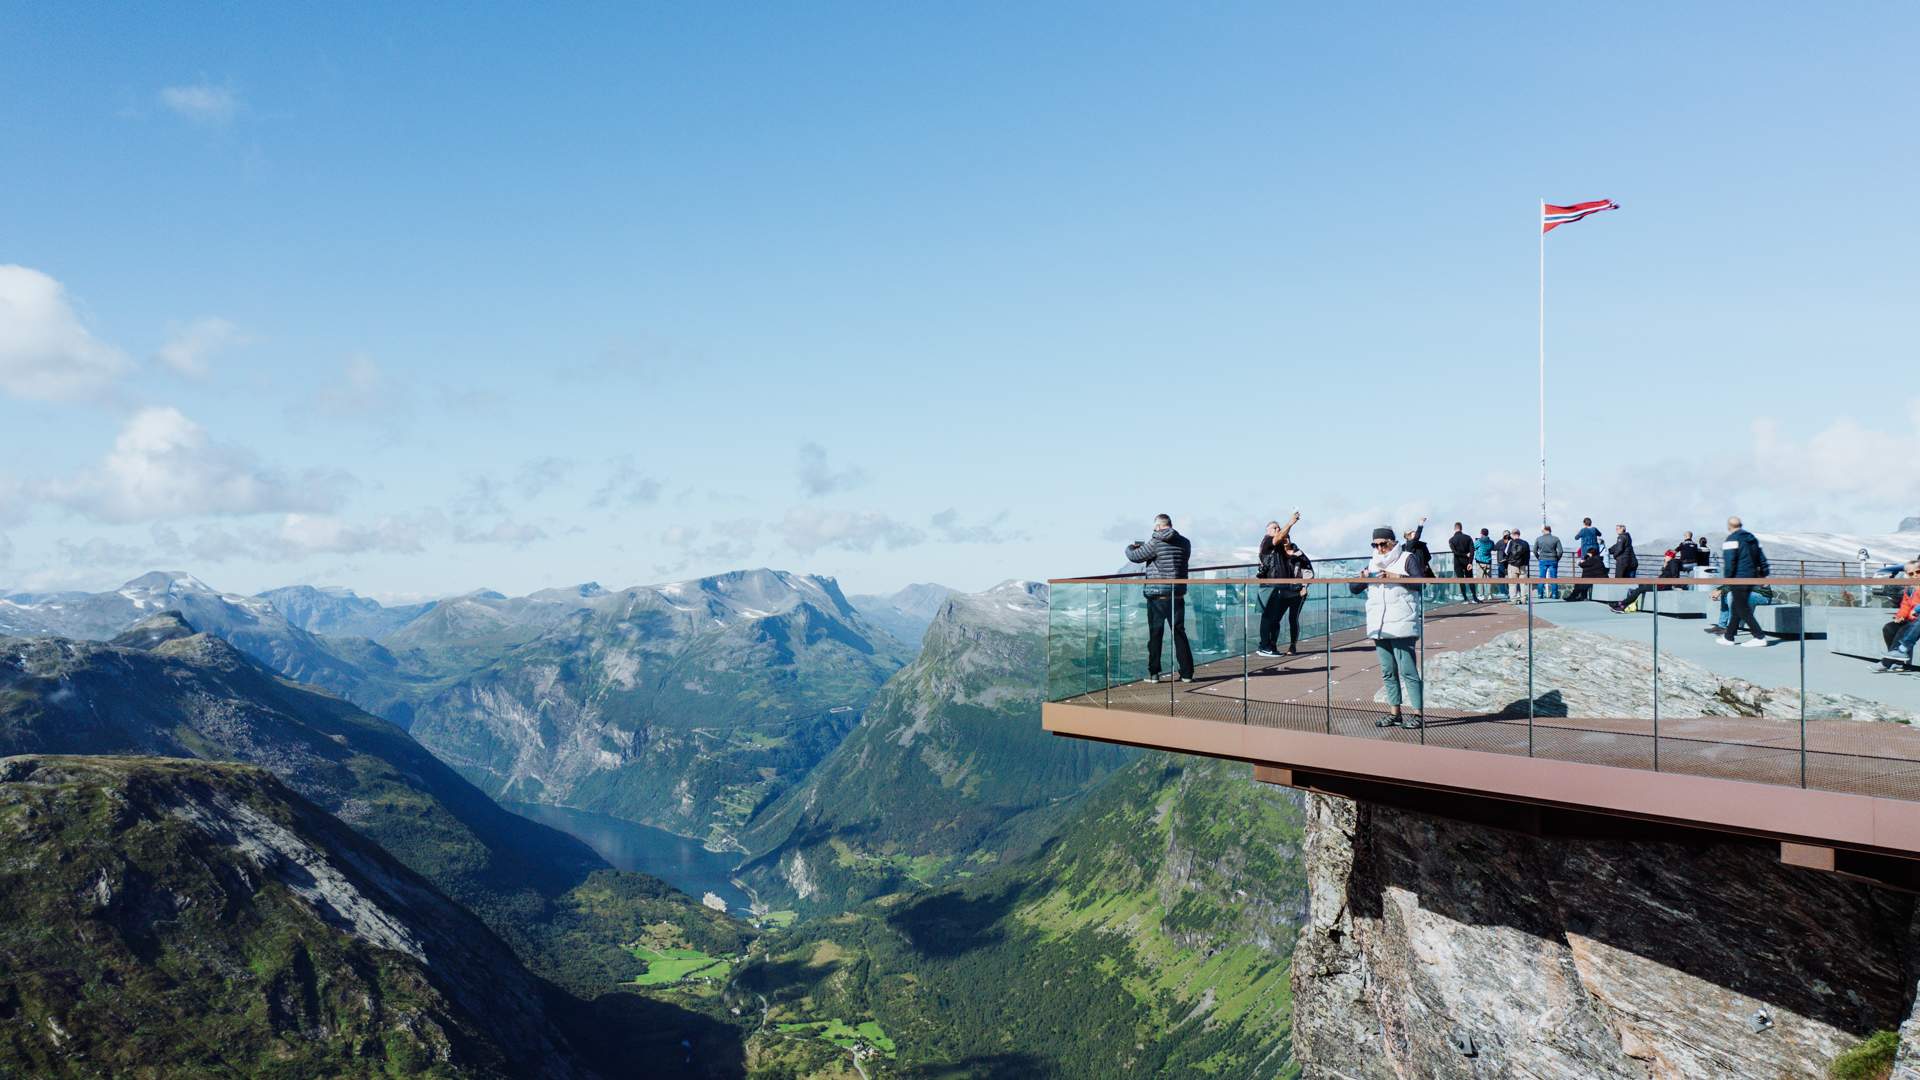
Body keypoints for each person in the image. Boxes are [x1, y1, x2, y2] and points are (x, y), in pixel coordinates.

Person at [1356, 526, 1427, 729]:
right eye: (1375, 544)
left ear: (1393, 542)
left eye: (1383, 544)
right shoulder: (1372, 562)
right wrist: (1363, 578)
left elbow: (1421, 583)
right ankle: (1394, 713)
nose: (1379, 548)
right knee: (1387, 671)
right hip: (1379, 624)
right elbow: (1353, 588)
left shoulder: (1407, 558)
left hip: (1402, 622)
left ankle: (1418, 714)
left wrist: (1396, 577)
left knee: (1408, 670)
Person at [1126, 514, 1194, 681]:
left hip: (1157, 595)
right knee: (1179, 633)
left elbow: (1135, 557)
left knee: (1156, 634)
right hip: (1177, 594)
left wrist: (1130, 547)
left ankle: (1154, 673)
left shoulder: (1156, 542)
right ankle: (1186, 674)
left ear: (1157, 526)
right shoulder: (1185, 542)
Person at [1712, 515, 1773, 647]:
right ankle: (1729, 637)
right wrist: (1763, 574)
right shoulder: (1752, 539)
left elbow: (1730, 563)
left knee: (1742, 607)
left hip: (1739, 578)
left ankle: (1759, 636)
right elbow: (1761, 558)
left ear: (1729, 527)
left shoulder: (1731, 540)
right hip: (1751, 576)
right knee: (1736, 605)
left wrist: (1728, 580)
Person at [1255, 512, 1305, 658]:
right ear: (1268, 531)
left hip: (1279, 587)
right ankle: (1264, 646)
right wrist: (1290, 523)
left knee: (1273, 617)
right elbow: (1277, 538)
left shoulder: (1278, 547)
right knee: (1268, 616)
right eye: (1274, 528)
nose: (1278, 530)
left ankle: (1270, 646)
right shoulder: (1267, 541)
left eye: (1278, 528)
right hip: (1270, 586)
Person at [1610, 550, 1685, 613]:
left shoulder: (1673, 562)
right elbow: (1668, 574)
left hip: (1662, 586)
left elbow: (1675, 575)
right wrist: (1664, 566)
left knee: (1639, 589)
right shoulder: (1671, 563)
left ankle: (1622, 605)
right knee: (1641, 586)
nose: (1664, 557)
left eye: (1666, 556)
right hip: (1660, 584)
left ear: (1670, 556)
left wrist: (1677, 586)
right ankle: (1624, 604)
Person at [1877, 563, 1920, 671]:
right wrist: (1900, 616)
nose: (1915, 575)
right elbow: (1905, 605)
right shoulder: (1909, 588)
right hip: (1911, 619)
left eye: (1918, 572)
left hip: (1917, 620)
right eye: (1911, 574)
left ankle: (1887, 662)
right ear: (1907, 575)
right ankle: (1898, 661)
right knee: (1889, 628)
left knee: (1902, 631)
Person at [1448, 523, 1477, 602]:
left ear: (1454, 528)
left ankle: (1465, 599)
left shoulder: (1451, 540)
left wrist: (1463, 555)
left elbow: (1455, 552)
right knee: (1470, 580)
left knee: (1461, 581)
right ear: (1461, 528)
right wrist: (1470, 562)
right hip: (1467, 562)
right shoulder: (1468, 538)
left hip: (1458, 563)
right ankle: (1475, 598)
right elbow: (1472, 551)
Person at [1534, 525, 1564, 599]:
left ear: (1544, 530)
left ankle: (1540, 595)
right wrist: (1557, 559)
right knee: (1553, 578)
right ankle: (1554, 595)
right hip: (1553, 560)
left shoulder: (1539, 539)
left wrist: (1539, 558)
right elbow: (1560, 551)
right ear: (1550, 530)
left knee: (1542, 578)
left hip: (1542, 560)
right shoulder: (1556, 539)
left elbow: (1534, 551)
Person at [1505, 529, 1531, 603]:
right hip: (1522, 566)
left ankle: (1513, 600)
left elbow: (1506, 552)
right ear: (1519, 534)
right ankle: (1524, 599)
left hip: (1512, 565)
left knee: (1512, 583)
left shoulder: (1511, 542)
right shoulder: (1525, 543)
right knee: (1523, 583)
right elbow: (1528, 555)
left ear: (1512, 535)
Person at [1472, 528, 1496, 602]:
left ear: (1481, 533)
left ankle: (1481, 595)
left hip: (1480, 562)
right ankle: (1489, 594)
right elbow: (1493, 548)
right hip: (1488, 562)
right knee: (1488, 579)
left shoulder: (1478, 541)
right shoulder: (1491, 542)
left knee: (1480, 579)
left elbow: (1473, 547)